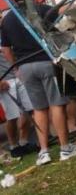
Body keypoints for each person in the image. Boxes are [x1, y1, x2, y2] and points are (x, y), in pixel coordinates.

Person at [0, 0, 76, 165]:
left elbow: (5, 48)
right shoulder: (40, 10)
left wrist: (16, 67)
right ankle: (65, 148)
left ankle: (44, 152)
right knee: (56, 105)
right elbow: (61, 16)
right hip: (46, 63)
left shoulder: (7, 20)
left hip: (25, 68)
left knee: (39, 109)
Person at [0, 11, 37, 158]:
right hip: (5, 81)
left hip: (18, 76)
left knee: (29, 110)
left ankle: (24, 141)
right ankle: (13, 145)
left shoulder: (6, 32)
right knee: (12, 116)